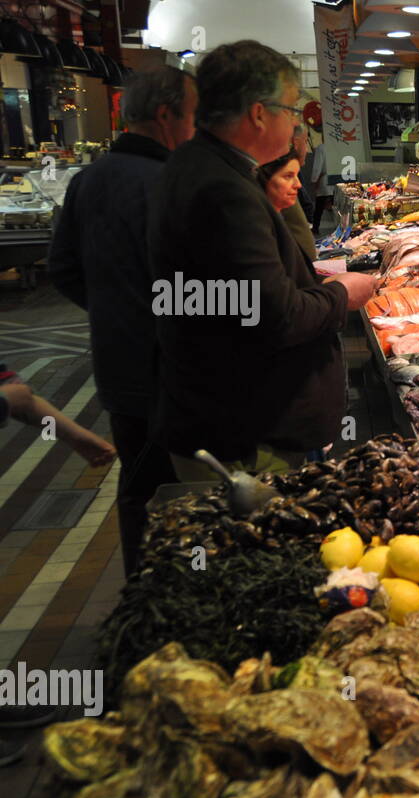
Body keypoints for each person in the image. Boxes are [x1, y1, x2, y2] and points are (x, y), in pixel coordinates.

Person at [147, 40, 376, 482]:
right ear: (257, 113)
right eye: (290, 110)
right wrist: (340, 294)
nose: (294, 125)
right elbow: (275, 316)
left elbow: (235, 300)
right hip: (243, 439)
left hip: (225, 418)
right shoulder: (223, 190)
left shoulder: (202, 168)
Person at [47, 65, 197, 575]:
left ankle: (141, 589)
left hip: (119, 370)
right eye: (194, 117)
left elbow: (61, 267)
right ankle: (184, 593)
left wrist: (116, 311)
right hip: (177, 370)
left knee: (137, 489)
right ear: (165, 116)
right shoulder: (173, 185)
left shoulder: (88, 180)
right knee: (190, 491)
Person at [261, 149, 315, 261]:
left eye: (296, 176)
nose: (298, 185)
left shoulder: (276, 218)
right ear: (264, 179)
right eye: (288, 176)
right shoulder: (259, 227)